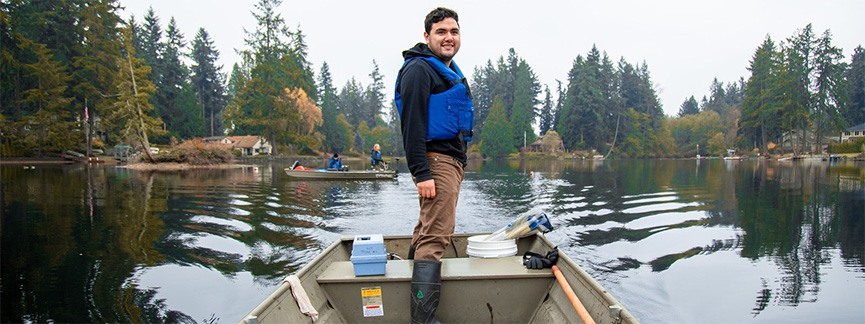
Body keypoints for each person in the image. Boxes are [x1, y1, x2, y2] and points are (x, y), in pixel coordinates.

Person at [394, 7, 473, 323]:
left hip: (447, 163)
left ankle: (417, 310)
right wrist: (420, 172)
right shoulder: (419, 70)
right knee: (436, 235)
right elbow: (412, 125)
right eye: (441, 32)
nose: (449, 37)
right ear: (426, 37)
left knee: (426, 230)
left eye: (454, 32)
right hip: (435, 163)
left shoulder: (445, 69)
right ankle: (423, 319)